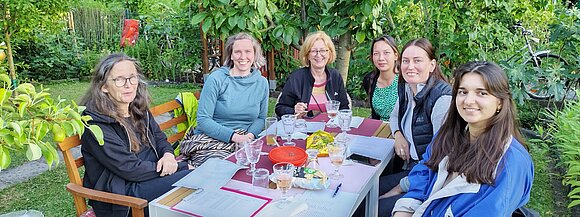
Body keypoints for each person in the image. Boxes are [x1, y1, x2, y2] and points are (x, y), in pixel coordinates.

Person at [392, 61, 534, 216]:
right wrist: (404, 210)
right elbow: (425, 171)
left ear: (499, 102)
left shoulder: (511, 162)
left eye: (482, 93)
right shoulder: (448, 136)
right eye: (463, 92)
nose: (468, 101)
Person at [80, 53, 193, 217]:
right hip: (123, 195)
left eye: (132, 77)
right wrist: (180, 166)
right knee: (193, 180)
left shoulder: (138, 109)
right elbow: (129, 169)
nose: (129, 85)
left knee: (199, 180)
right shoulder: (95, 125)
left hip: (149, 179)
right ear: (103, 86)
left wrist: (168, 155)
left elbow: (160, 138)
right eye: (119, 79)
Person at [378, 38, 452, 216]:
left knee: (373, 207)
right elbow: (394, 115)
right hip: (411, 168)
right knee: (363, 192)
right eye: (406, 61)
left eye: (417, 60)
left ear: (432, 65)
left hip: (429, 179)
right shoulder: (407, 88)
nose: (410, 66)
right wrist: (397, 134)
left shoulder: (441, 100)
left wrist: (399, 188)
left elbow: (441, 160)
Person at [179, 32, 269, 168]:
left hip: (245, 139)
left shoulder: (262, 83)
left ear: (255, 54)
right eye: (238, 52)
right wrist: (236, 137)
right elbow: (203, 120)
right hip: (212, 139)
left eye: (248, 51)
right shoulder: (216, 79)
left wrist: (249, 136)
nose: (243, 57)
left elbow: (261, 118)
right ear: (231, 55)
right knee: (223, 169)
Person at [275, 31, 349, 118]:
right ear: (307, 55)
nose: (318, 55)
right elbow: (280, 108)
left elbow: (344, 108)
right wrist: (294, 110)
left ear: (329, 53)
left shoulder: (335, 76)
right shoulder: (296, 78)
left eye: (322, 50)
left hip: (331, 129)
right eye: (313, 51)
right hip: (301, 129)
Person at [362, 35, 400, 120]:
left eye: (386, 53)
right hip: (379, 129)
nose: (381, 58)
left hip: (402, 130)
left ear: (395, 55)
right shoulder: (369, 80)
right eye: (376, 54)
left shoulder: (405, 80)